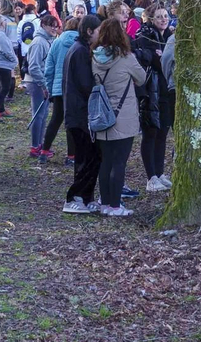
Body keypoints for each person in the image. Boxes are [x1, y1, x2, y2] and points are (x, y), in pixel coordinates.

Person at [89, 17, 146, 216]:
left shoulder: (94, 58)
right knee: (119, 162)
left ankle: (105, 203)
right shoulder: (126, 58)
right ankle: (115, 205)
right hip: (124, 115)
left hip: (102, 113)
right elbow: (141, 78)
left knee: (106, 161)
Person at [62, 14, 104, 212]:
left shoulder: (79, 49)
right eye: (98, 31)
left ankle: (86, 197)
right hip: (79, 115)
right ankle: (74, 197)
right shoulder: (79, 51)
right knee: (86, 158)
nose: (100, 35)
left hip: (79, 113)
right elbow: (85, 84)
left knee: (91, 157)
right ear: (89, 31)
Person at [43, 17, 82, 163]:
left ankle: (44, 151)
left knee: (55, 120)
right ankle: (71, 156)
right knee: (71, 123)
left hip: (58, 88)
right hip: (74, 89)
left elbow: (49, 68)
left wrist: (50, 88)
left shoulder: (57, 42)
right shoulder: (81, 44)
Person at [25, 14, 59, 156]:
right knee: (38, 115)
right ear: (43, 25)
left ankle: (40, 145)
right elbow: (34, 67)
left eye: (56, 26)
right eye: (51, 25)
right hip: (36, 82)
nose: (54, 28)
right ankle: (35, 147)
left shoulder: (48, 40)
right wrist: (43, 85)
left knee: (43, 115)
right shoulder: (39, 42)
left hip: (43, 82)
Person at [0, 11, 17, 117]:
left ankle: (1, 109)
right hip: (3, 64)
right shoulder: (0, 35)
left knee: (1, 87)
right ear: (1, 23)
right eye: (4, 21)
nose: (5, 22)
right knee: (5, 88)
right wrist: (14, 60)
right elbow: (6, 51)